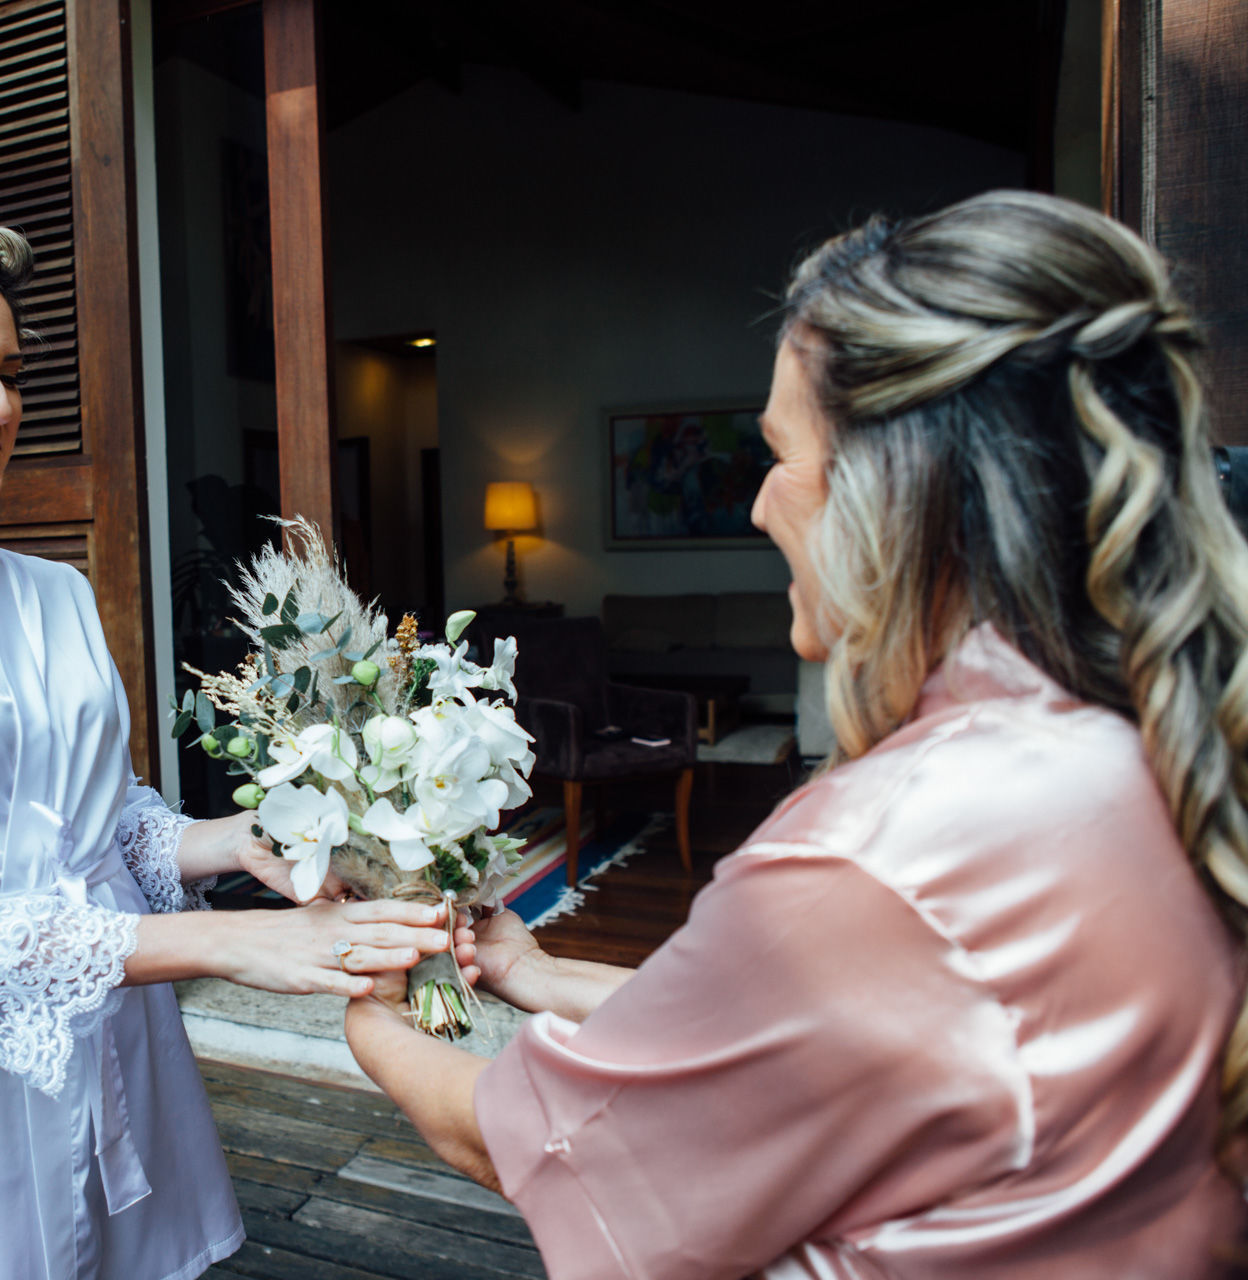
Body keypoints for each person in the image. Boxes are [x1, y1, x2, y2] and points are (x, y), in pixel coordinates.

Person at [346, 190, 1248, 1278]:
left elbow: (514, 1136)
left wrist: (372, 1014)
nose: (763, 505)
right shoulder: (1136, 739)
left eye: (785, 454)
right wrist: (538, 970)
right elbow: (810, 1030)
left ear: (900, 487)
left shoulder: (874, 849)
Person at [0, 194, 449, 1280]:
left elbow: (108, 817)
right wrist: (233, 944)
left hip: (127, 1049)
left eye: (11, 373)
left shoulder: (57, 595)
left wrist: (243, 838)